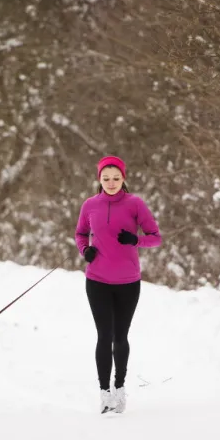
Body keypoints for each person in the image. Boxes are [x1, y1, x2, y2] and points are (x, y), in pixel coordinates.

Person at [74, 155, 163, 414]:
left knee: (120, 337)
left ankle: (120, 388)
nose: (111, 183)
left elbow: (155, 238)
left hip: (127, 282)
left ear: (123, 178)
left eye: (115, 178)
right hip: (97, 281)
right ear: (99, 179)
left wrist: (135, 240)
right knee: (104, 336)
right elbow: (80, 233)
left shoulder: (135, 204)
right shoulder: (90, 205)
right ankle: (104, 393)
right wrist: (85, 250)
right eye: (106, 178)